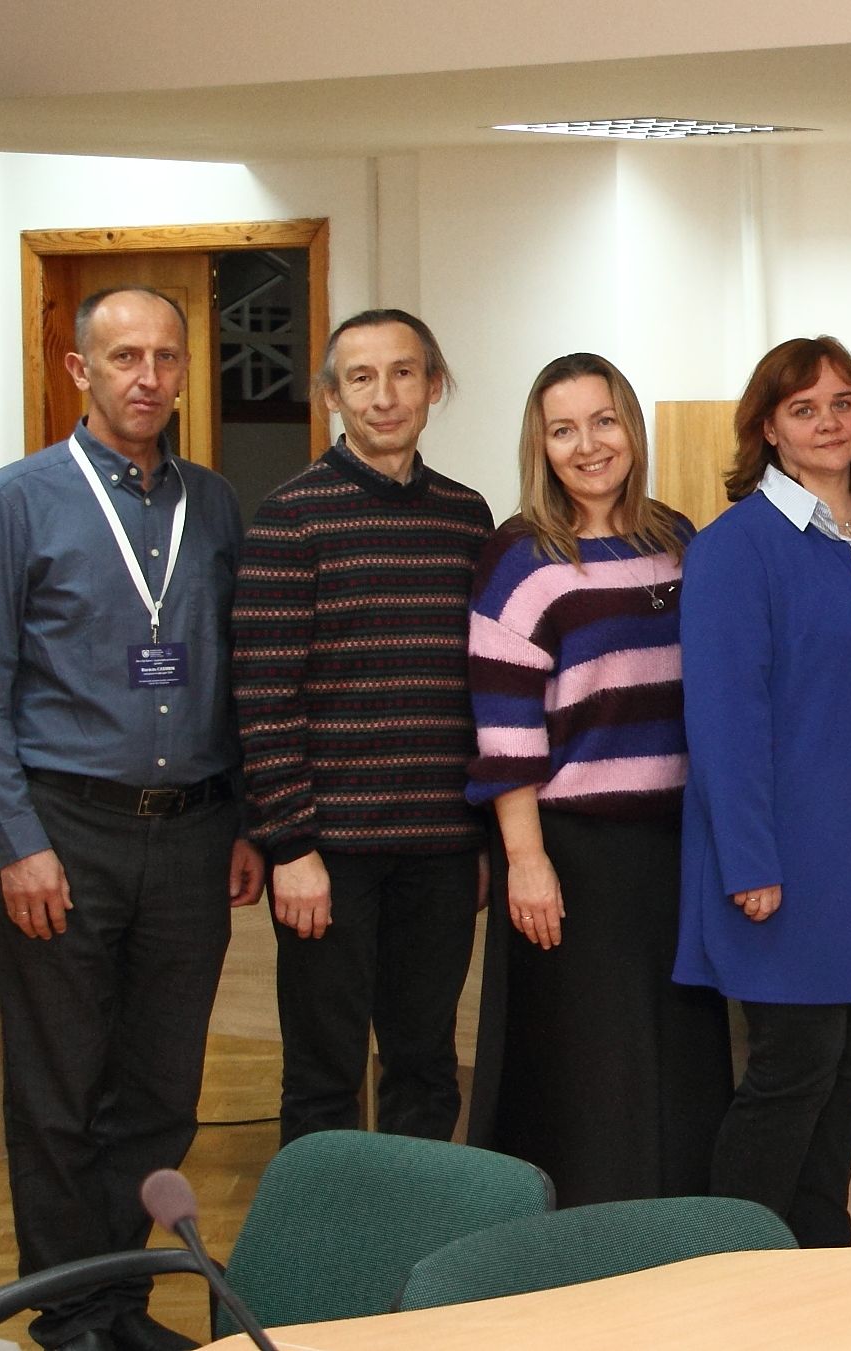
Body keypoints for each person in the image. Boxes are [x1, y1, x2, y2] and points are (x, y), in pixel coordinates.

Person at [0, 286, 263, 1351]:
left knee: (161, 1092)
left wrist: (245, 817)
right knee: (60, 1093)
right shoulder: (13, 502)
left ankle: (122, 1305)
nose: (148, 378)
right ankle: (71, 1316)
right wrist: (17, 843)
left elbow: (236, 675)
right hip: (66, 835)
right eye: (125, 357)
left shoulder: (215, 505)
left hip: (193, 836)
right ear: (80, 369)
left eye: (167, 357)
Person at [677, 335, 851, 1247]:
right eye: (804, 408)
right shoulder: (738, 548)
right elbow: (725, 719)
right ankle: (727, 1264)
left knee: (846, 1070)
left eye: (843, 402)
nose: (828, 422)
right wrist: (749, 860)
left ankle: (819, 1260)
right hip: (795, 861)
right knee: (792, 1071)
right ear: (768, 428)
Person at [464, 352, 732, 1204]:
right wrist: (526, 860)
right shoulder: (521, 559)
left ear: (632, 428)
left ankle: (681, 1242)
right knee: (590, 1076)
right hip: (573, 855)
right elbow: (504, 727)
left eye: (604, 421)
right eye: (564, 430)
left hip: (676, 847)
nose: (588, 445)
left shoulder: (678, 540)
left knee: (678, 1065)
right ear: (540, 446)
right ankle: (577, 1247)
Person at [233, 309, 494, 1144]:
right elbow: (263, 696)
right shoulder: (289, 518)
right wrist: (291, 847)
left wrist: (482, 840)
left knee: (426, 1066)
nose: (384, 396)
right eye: (361, 378)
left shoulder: (467, 517)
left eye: (403, 373)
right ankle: (323, 1234)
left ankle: (413, 1229)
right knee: (323, 1077)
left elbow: (482, 689)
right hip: (329, 856)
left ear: (434, 386)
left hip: (442, 851)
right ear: (331, 397)